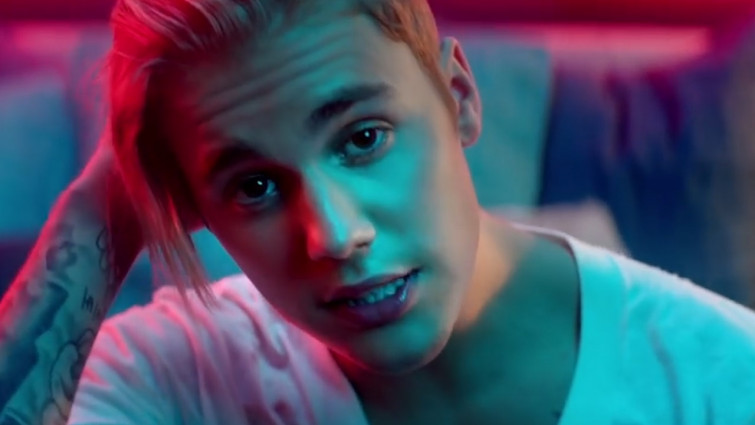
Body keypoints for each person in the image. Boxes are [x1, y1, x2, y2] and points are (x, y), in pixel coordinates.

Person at [1, 0, 754, 424]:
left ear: (459, 98)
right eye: (255, 186)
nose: (333, 235)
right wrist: (100, 212)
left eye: (364, 139)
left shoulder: (723, 376)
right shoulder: (177, 371)